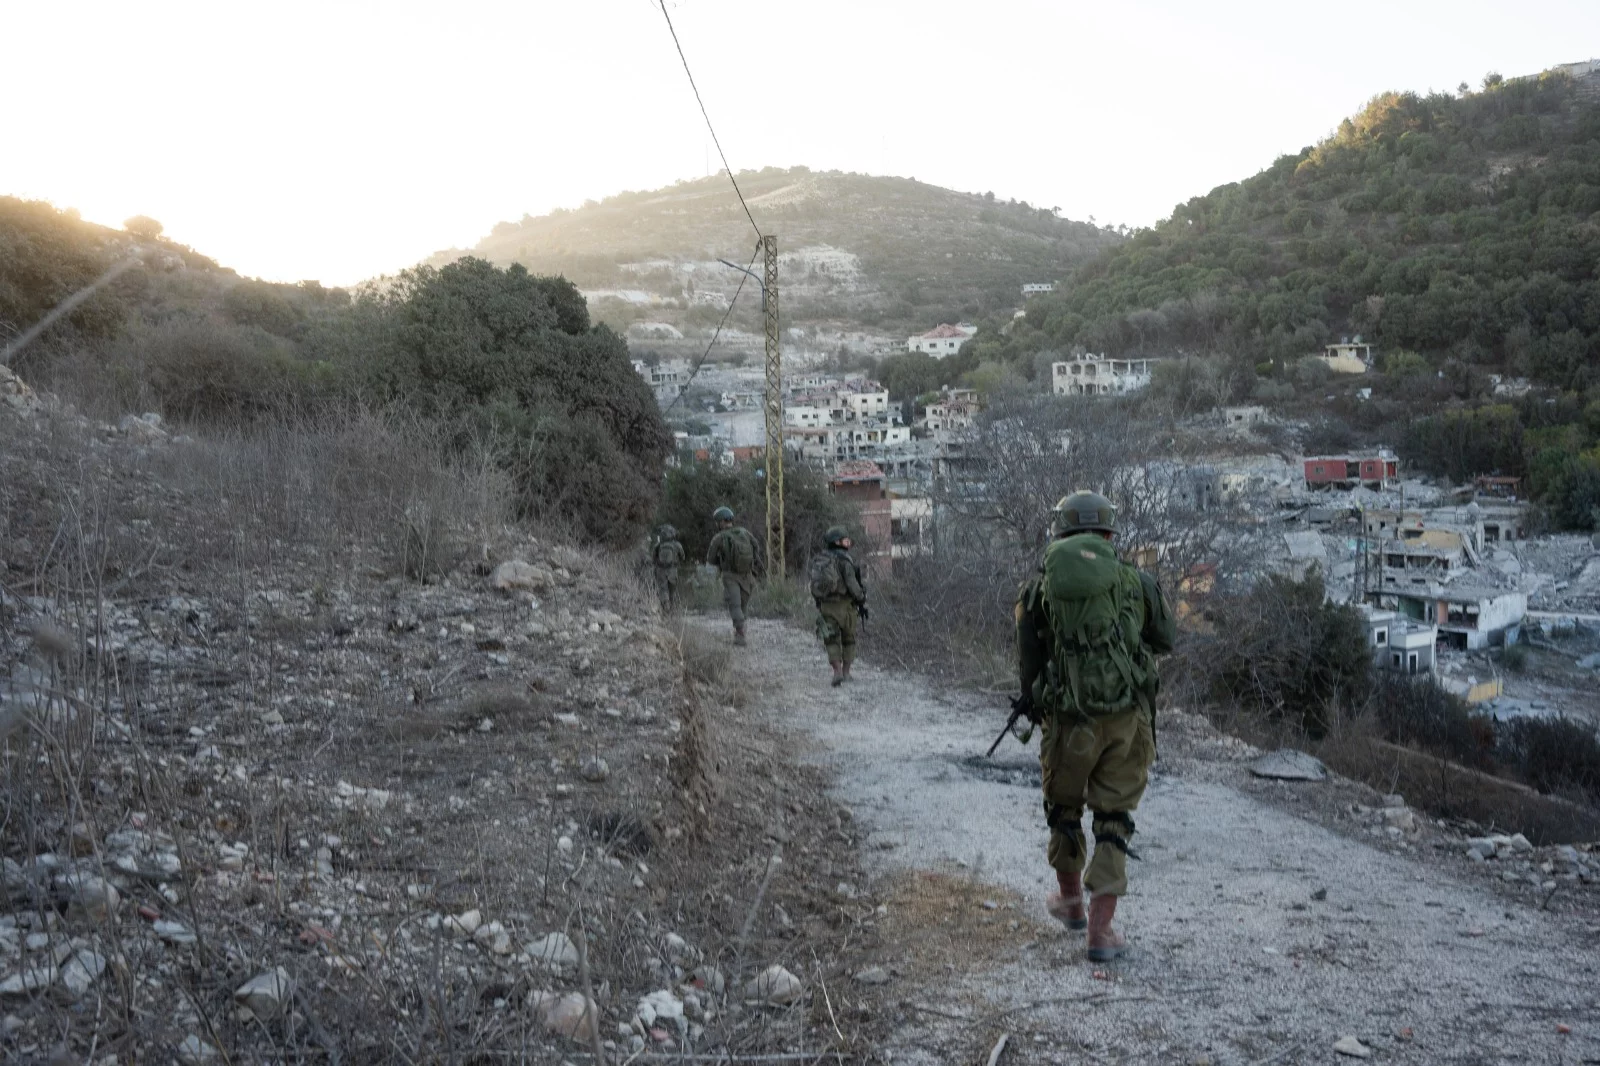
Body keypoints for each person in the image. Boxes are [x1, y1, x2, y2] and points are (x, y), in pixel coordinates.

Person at [1014, 490, 1175, 962]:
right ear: (1109, 535)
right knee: (1113, 821)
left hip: (1068, 721)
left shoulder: (1040, 590)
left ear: (1059, 534)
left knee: (1063, 809)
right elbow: (1165, 638)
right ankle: (1101, 934)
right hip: (1127, 723)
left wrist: (1036, 697)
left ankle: (1069, 903)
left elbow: (1029, 657)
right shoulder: (1136, 581)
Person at [808, 526, 868, 686]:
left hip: (827, 606)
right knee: (849, 639)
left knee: (831, 640)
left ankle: (837, 672)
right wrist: (862, 598)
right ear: (837, 542)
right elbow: (852, 585)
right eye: (846, 539)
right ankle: (847, 673)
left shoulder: (820, 559)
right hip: (845, 607)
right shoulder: (844, 560)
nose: (849, 541)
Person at [706, 506, 760, 645]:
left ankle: (740, 634)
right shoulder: (745, 532)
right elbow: (756, 547)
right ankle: (741, 630)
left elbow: (711, 559)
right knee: (743, 605)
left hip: (730, 575)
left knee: (734, 605)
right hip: (747, 575)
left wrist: (721, 562)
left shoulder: (719, 537)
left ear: (721, 522)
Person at [652, 524, 685, 612]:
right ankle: (672, 610)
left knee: (663, 589)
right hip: (673, 571)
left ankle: (665, 607)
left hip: (661, 571)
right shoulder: (677, 545)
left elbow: (654, 559)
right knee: (672, 591)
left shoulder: (658, 545)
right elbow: (683, 557)